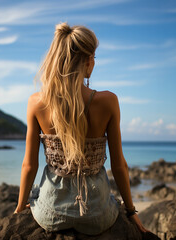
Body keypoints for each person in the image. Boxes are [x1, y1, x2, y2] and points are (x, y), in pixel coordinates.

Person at [14, 22, 149, 235]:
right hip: (98, 215)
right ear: (87, 60)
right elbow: (119, 165)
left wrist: (20, 208)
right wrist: (131, 212)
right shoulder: (108, 101)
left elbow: (29, 165)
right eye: (94, 57)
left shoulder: (36, 102)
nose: (94, 63)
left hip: (50, 213)